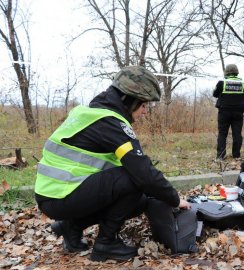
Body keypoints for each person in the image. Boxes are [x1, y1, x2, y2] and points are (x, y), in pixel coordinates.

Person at [34, 66, 191, 262]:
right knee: (135, 180)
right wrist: (175, 200)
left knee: (139, 200)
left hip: (53, 194)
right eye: (143, 105)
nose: (145, 112)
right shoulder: (110, 122)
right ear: (129, 100)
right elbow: (143, 173)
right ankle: (106, 244)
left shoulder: (90, 113)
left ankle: (71, 227)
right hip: (61, 196)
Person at [213, 64, 244, 160]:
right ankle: (236, 155)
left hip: (224, 112)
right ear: (237, 72)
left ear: (226, 72)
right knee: (237, 133)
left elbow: (215, 94)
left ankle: (220, 156)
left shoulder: (222, 82)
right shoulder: (243, 83)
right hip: (238, 112)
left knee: (222, 133)